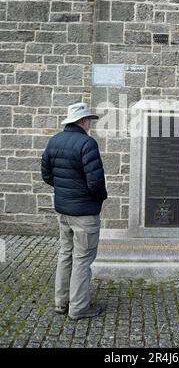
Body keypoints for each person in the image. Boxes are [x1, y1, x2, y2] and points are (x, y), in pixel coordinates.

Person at [41, 102, 107, 320]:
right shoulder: (87, 144)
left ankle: (61, 302)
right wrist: (99, 198)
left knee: (65, 254)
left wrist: (65, 192)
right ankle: (78, 308)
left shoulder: (54, 141)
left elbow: (47, 176)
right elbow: (96, 183)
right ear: (82, 121)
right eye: (89, 119)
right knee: (82, 259)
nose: (90, 123)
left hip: (63, 210)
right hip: (84, 213)